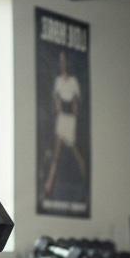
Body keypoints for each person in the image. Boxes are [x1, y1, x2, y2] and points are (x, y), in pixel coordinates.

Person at [42, 46, 86, 197]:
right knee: (56, 154)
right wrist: (59, 108)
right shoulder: (58, 81)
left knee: (75, 151)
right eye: (60, 60)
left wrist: (71, 118)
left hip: (70, 120)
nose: (63, 63)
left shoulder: (73, 82)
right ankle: (48, 185)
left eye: (64, 60)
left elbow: (75, 104)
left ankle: (85, 177)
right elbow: (57, 102)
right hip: (62, 120)